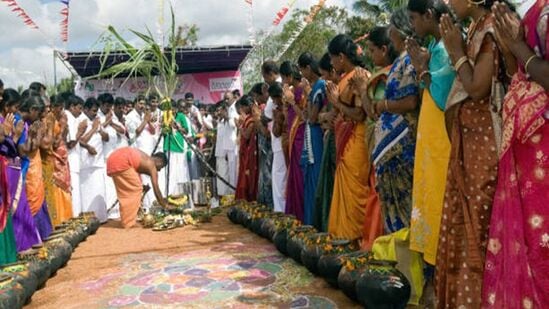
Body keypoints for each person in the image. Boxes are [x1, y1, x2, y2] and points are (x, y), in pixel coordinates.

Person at [436, 0, 512, 305]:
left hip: (484, 146)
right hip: (470, 142)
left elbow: (478, 87)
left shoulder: (491, 29)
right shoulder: (476, 28)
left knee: (479, 227)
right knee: (464, 221)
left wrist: (455, 53)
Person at [481, 0, 549, 307]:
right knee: (528, 243)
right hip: (527, 151)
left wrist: (518, 47)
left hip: (542, 152)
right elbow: (520, 71)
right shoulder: (532, 11)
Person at [406, 0, 455, 268]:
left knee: (439, 193)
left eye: (414, 18)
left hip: (442, 134)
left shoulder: (447, 47)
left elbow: (442, 95)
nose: (413, 25)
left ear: (428, 15)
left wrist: (421, 67)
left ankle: (442, 260)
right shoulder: (435, 46)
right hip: (430, 134)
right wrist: (422, 65)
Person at [326, 34, 382, 247]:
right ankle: (344, 239)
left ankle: (357, 242)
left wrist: (336, 104)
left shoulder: (360, 76)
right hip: (345, 143)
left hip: (356, 141)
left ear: (341, 57)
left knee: (357, 192)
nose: (331, 63)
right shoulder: (343, 79)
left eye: (332, 58)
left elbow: (360, 115)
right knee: (346, 196)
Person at [2, 89, 41, 252]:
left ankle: (26, 244)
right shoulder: (11, 121)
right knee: (15, 210)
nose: (16, 111)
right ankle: (17, 247)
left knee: (21, 208)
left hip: (16, 166)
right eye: (14, 107)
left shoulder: (13, 120)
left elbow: (24, 149)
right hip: (9, 168)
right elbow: (17, 148)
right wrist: (16, 135)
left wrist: (32, 136)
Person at [106, 147, 168, 228]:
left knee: (125, 192)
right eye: (161, 167)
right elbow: (156, 189)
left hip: (112, 160)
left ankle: (126, 219)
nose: (159, 170)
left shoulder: (145, 159)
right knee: (135, 189)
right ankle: (128, 222)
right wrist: (165, 205)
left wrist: (142, 187)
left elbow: (132, 176)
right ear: (159, 162)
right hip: (122, 161)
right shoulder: (151, 165)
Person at [298, 53, 325, 226]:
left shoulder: (320, 85)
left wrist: (308, 94)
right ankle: (309, 222)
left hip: (316, 137)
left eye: (302, 70)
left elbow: (312, 117)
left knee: (315, 179)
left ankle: (316, 223)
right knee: (309, 180)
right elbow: (307, 115)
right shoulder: (315, 86)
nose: (301, 75)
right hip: (311, 135)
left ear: (308, 68)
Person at [313, 53, 339, 232]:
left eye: (325, 74)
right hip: (331, 139)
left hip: (343, 142)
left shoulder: (342, 86)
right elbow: (319, 117)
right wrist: (326, 117)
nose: (323, 78)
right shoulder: (330, 89)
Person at [79, 98, 108, 223]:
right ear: (85, 109)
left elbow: (106, 138)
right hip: (86, 164)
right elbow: (81, 141)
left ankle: (100, 218)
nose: (95, 113)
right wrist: (93, 129)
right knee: (87, 193)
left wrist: (100, 129)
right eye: (93, 111)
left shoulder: (97, 121)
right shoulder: (82, 121)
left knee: (99, 191)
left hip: (98, 162)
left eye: (96, 111)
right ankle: (89, 219)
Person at [249, 82, 273, 208]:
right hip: (262, 146)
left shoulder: (266, 108)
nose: (255, 100)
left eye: (255, 97)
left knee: (267, 176)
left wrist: (257, 118)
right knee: (263, 176)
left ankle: (269, 206)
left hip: (268, 147)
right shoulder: (261, 108)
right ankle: (265, 204)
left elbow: (265, 132)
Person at [65, 95, 88, 216]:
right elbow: (70, 144)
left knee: (76, 193)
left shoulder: (73, 118)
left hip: (74, 161)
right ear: (72, 107)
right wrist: (81, 131)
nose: (80, 111)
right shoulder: (68, 118)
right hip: (70, 161)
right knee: (74, 193)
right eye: (79, 108)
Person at [163, 99, 192, 196]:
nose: (173, 111)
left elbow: (186, 131)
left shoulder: (181, 116)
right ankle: (170, 194)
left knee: (181, 171)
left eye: (174, 109)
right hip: (169, 147)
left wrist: (178, 127)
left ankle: (182, 194)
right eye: (170, 109)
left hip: (179, 147)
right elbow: (162, 131)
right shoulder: (165, 117)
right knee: (170, 172)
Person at [235, 95, 259, 201]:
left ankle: (249, 199)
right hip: (245, 152)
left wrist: (240, 126)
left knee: (248, 177)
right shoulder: (248, 119)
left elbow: (247, 135)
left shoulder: (252, 120)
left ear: (247, 106)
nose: (241, 110)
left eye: (242, 107)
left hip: (250, 152)